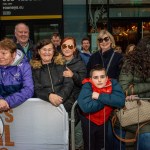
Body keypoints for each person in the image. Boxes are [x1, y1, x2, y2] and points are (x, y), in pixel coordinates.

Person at [77, 65, 125, 150]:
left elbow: (120, 101)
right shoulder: (87, 85)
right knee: (89, 146)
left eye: (102, 77)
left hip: (104, 121)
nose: (99, 80)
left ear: (106, 78)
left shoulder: (113, 83)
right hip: (89, 121)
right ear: (91, 79)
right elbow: (86, 107)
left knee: (102, 145)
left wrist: (100, 97)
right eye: (95, 77)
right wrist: (109, 101)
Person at [119, 36, 150, 150]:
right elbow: (124, 89)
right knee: (146, 139)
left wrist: (136, 88)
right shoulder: (130, 63)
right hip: (136, 112)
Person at [30, 39, 74, 110]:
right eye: (44, 49)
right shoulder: (34, 69)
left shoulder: (61, 64)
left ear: (53, 51)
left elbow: (68, 84)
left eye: (50, 49)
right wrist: (49, 96)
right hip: (43, 106)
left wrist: (59, 98)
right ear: (39, 51)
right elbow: (36, 89)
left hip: (64, 105)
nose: (47, 52)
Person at [61, 37, 87, 149]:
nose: (67, 48)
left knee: (75, 135)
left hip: (74, 105)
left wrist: (73, 75)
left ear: (74, 49)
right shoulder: (56, 62)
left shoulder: (80, 64)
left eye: (70, 46)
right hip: (59, 103)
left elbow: (83, 82)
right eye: (64, 46)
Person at [0, 38, 34, 112]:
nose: (0, 57)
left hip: (22, 111)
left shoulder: (24, 66)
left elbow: (28, 89)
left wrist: (7, 102)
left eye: (3, 53)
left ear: (14, 54)